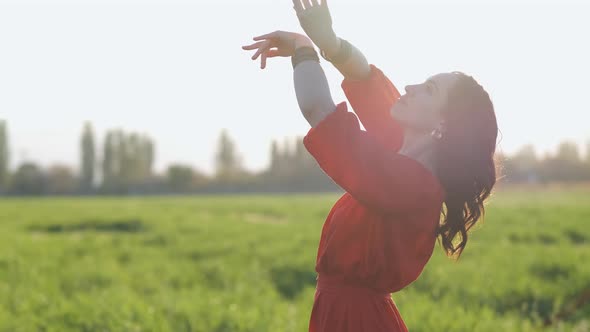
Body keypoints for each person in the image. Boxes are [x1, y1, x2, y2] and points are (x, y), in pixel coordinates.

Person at [242, 1, 499, 331]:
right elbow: (363, 76)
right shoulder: (401, 147)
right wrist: (329, 41)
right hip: (345, 313)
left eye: (428, 90)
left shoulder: (411, 183)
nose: (409, 87)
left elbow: (318, 109)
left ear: (443, 124)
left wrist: (304, 49)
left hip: (355, 321)